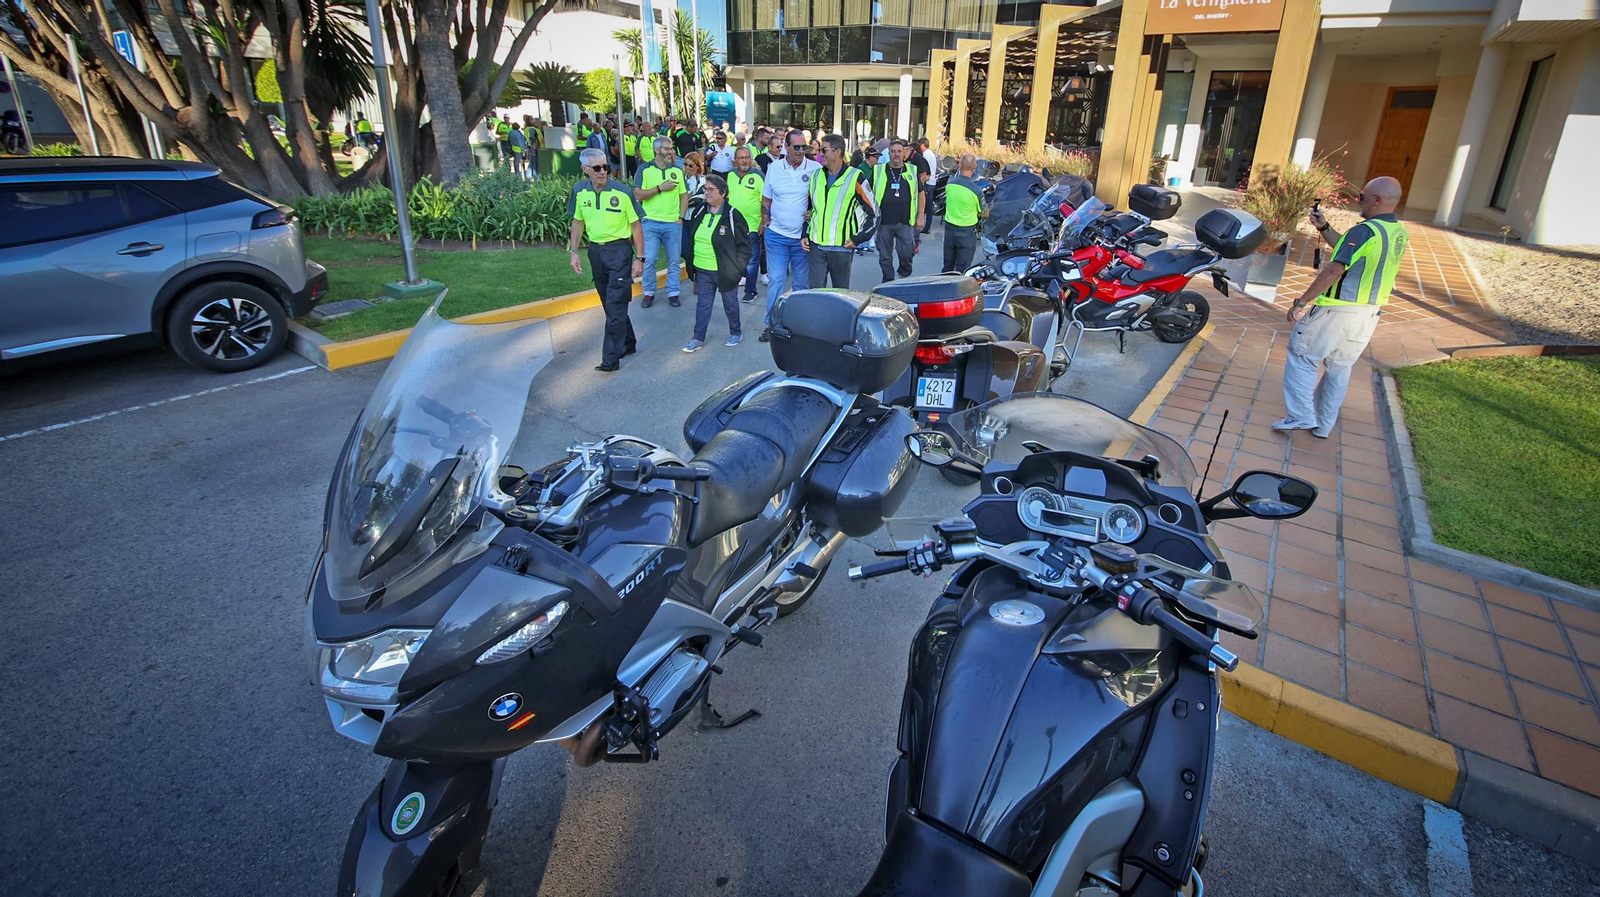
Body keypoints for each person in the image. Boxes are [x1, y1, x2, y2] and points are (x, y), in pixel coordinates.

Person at [1274, 177, 1409, 439]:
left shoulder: (1365, 230)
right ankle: (1323, 425)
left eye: (1363, 196)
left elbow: (1335, 270)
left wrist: (1302, 302)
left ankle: (1300, 415)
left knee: (1302, 356)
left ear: (1377, 200)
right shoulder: (1396, 232)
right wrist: (1324, 227)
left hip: (1337, 311)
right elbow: (1350, 250)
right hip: (1368, 315)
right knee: (1339, 367)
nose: (1359, 201)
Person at [568, 148, 645, 373]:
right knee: (609, 303)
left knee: (615, 303)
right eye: (597, 168)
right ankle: (628, 343)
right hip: (596, 252)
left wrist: (640, 257)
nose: (603, 172)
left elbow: (636, 226)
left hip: (619, 250)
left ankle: (611, 358)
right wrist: (573, 251)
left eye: (605, 167)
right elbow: (577, 222)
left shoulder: (622, 192)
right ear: (585, 170)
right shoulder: (579, 191)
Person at [759, 129, 822, 341]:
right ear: (786, 147)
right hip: (776, 236)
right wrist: (766, 221)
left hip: (802, 240)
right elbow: (766, 200)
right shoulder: (774, 168)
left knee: (801, 285)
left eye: (804, 147)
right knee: (776, 280)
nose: (802, 151)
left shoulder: (815, 168)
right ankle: (772, 324)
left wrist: (813, 211)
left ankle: (799, 326)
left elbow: (822, 200)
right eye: (797, 147)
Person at [680, 174, 752, 352]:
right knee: (703, 305)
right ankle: (697, 338)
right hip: (702, 269)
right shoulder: (699, 210)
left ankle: (735, 332)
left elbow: (745, 247)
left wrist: (737, 270)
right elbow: (690, 238)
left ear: (723, 193)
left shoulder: (733, 215)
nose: (706, 193)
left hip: (725, 271)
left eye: (710, 190)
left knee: (730, 304)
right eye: (705, 189)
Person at [803, 133, 877, 290]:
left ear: (837, 151)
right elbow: (810, 208)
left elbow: (875, 213)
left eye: (824, 150)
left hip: (841, 248)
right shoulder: (816, 175)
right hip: (816, 246)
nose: (820, 154)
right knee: (815, 294)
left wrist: (858, 239)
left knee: (840, 295)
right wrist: (805, 233)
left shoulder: (855, 177)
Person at [634, 137, 688, 308]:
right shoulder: (644, 169)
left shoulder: (677, 171)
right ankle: (649, 292)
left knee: (674, 260)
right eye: (667, 148)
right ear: (657, 150)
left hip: (673, 223)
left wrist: (681, 218)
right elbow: (638, 194)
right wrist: (659, 188)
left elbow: (684, 195)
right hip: (650, 222)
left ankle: (673, 292)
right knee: (649, 259)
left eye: (671, 149)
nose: (670, 152)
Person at [874, 139, 924, 283]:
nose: (896, 154)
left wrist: (920, 216)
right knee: (885, 256)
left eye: (899, 151)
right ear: (888, 154)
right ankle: (888, 281)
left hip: (905, 221)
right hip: (883, 221)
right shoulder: (878, 171)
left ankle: (904, 272)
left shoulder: (912, 171)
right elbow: (867, 193)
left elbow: (921, 194)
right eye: (893, 151)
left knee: (907, 252)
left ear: (904, 154)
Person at [727, 147, 765, 304]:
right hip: (733, 225)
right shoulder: (730, 175)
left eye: (747, 157)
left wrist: (763, 222)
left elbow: (766, 200)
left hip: (752, 226)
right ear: (735, 160)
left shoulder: (758, 176)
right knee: (734, 257)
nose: (744, 161)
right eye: (741, 158)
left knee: (751, 260)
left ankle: (751, 291)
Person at [942, 153, 987, 272]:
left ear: (960, 165)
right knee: (963, 269)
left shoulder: (950, 184)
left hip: (949, 230)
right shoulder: (976, 191)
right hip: (966, 233)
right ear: (975, 166)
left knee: (948, 266)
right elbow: (985, 212)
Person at [917, 138, 939, 234]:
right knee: (929, 205)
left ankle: (926, 226)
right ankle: (928, 226)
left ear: (922, 144)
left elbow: (924, 170)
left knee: (924, 205)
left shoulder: (925, 155)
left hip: (927, 182)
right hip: (932, 181)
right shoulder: (932, 153)